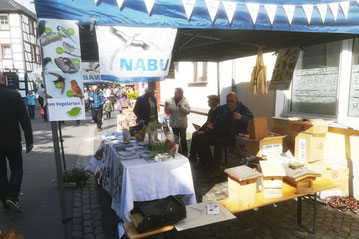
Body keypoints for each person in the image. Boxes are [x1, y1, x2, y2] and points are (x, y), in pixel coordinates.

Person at [0, 71, 33, 213]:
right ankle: (12, 196)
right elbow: (25, 120)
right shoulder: (14, 95)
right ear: (3, 80)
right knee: (16, 168)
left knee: (0, 173)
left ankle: (6, 201)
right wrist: (29, 140)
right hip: (12, 140)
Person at [200, 92, 253, 177]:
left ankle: (216, 169)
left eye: (231, 101)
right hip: (220, 132)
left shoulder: (243, 109)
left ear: (236, 100)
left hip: (233, 135)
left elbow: (251, 120)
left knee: (218, 142)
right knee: (203, 140)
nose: (229, 103)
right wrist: (213, 125)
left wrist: (241, 117)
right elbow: (218, 119)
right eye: (227, 101)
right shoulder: (224, 108)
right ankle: (210, 164)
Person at [189, 95, 221, 166]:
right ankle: (193, 156)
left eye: (209, 100)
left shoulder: (219, 111)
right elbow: (207, 123)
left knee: (202, 141)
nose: (208, 101)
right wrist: (199, 130)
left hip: (214, 133)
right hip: (209, 131)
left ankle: (207, 161)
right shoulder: (211, 110)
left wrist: (204, 132)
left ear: (215, 101)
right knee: (195, 135)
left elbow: (216, 126)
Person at [165, 88, 191, 157]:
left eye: (176, 93)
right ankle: (177, 152)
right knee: (175, 139)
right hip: (174, 123)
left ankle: (185, 154)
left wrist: (181, 107)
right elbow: (167, 112)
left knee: (183, 139)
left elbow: (188, 111)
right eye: (174, 92)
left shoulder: (185, 100)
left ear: (181, 94)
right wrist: (166, 105)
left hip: (182, 124)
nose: (174, 94)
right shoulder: (171, 100)